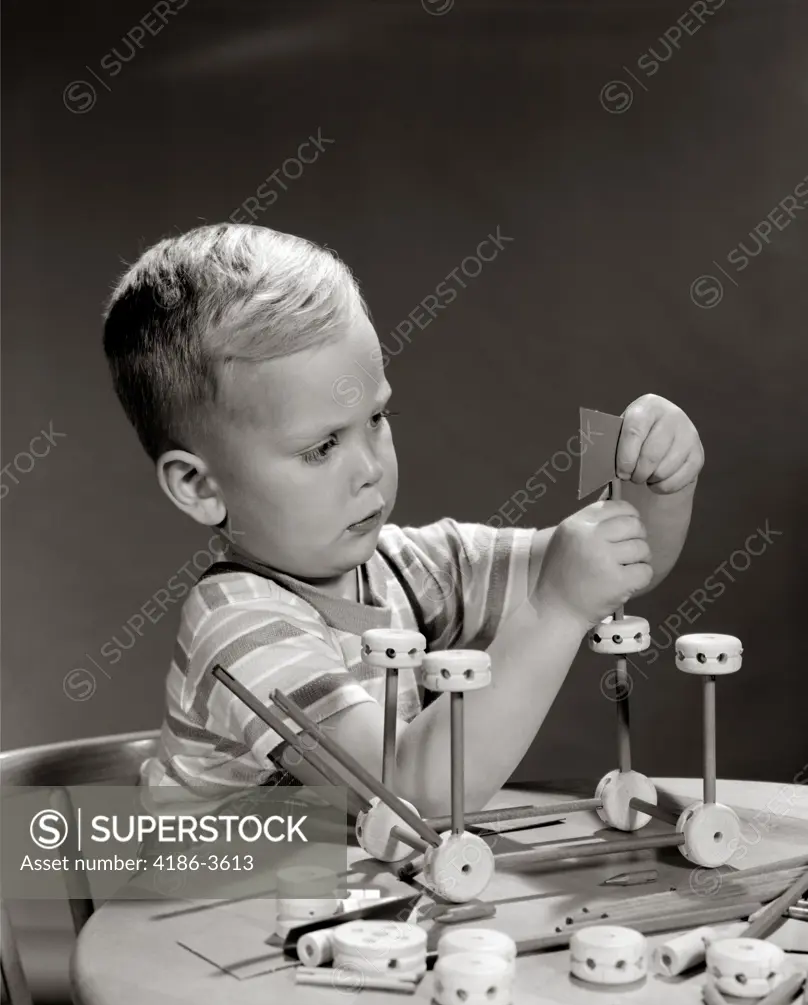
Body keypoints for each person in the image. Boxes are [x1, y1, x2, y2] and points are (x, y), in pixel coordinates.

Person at [102, 223, 703, 821]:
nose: (369, 467)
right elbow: (411, 791)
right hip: (213, 907)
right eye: (320, 448)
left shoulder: (407, 568)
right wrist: (557, 610)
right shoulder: (238, 628)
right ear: (200, 486)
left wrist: (662, 482)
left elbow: (614, 566)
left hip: (348, 905)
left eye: (377, 418)